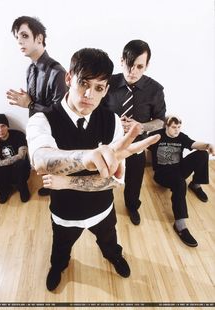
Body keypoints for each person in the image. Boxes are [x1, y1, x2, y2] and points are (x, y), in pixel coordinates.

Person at [26, 48, 160, 291]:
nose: (89, 94)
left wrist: (66, 182)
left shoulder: (113, 123)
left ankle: (114, 257)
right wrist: (89, 158)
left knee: (110, 243)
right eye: (83, 83)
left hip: (103, 210)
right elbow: (42, 159)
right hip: (64, 214)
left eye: (99, 87)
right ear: (68, 78)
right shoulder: (41, 120)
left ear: (106, 89)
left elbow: (114, 183)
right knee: (60, 251)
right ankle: (58, 266)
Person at [102, 39, 166, 225]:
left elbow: (161, 121)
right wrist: (114, 123)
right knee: (105, 174)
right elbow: (96, 110)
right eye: (130, 65)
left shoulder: (155, 90)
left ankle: (131, 206)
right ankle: (104, 207)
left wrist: (141, 126)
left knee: (134, 178)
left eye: (139, 66)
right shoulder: (108, 83)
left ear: (146, 66)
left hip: (137, 144)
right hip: (109, 142)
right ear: (121, 60)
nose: (133, 71)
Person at [6, 16, 68, 196]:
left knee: (56, 170)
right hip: (37, 129)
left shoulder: (57, 72)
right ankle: (50, 186)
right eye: (18, 38)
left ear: (39, 38)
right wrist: (27, 102)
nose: (20, 42)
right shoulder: (30, 69)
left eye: (25, 36)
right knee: (44, 168)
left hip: (54, 134)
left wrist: (30, 103)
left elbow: (60, 114)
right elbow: (33, 105)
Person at [148, 115, 215, 247]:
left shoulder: (181, 136)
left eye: (179, 127)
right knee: (179, 183)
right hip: (162, 174)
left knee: (202, 153)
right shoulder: (156, 135)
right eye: (174, 127)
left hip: (179, 169)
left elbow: (194, 144)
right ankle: (180, 225)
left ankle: (195, 184)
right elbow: (142, 145)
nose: (177, 130)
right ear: (166, 126)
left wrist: (208, 145)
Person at [0, 114, 31, 204]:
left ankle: (22, 187)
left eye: (3, 126)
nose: (0, 130)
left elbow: (21, 156)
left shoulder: (18, 135)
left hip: (20, 170)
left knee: (21, 163)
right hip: (5, 170)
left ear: (7, 126)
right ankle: (4, 191)